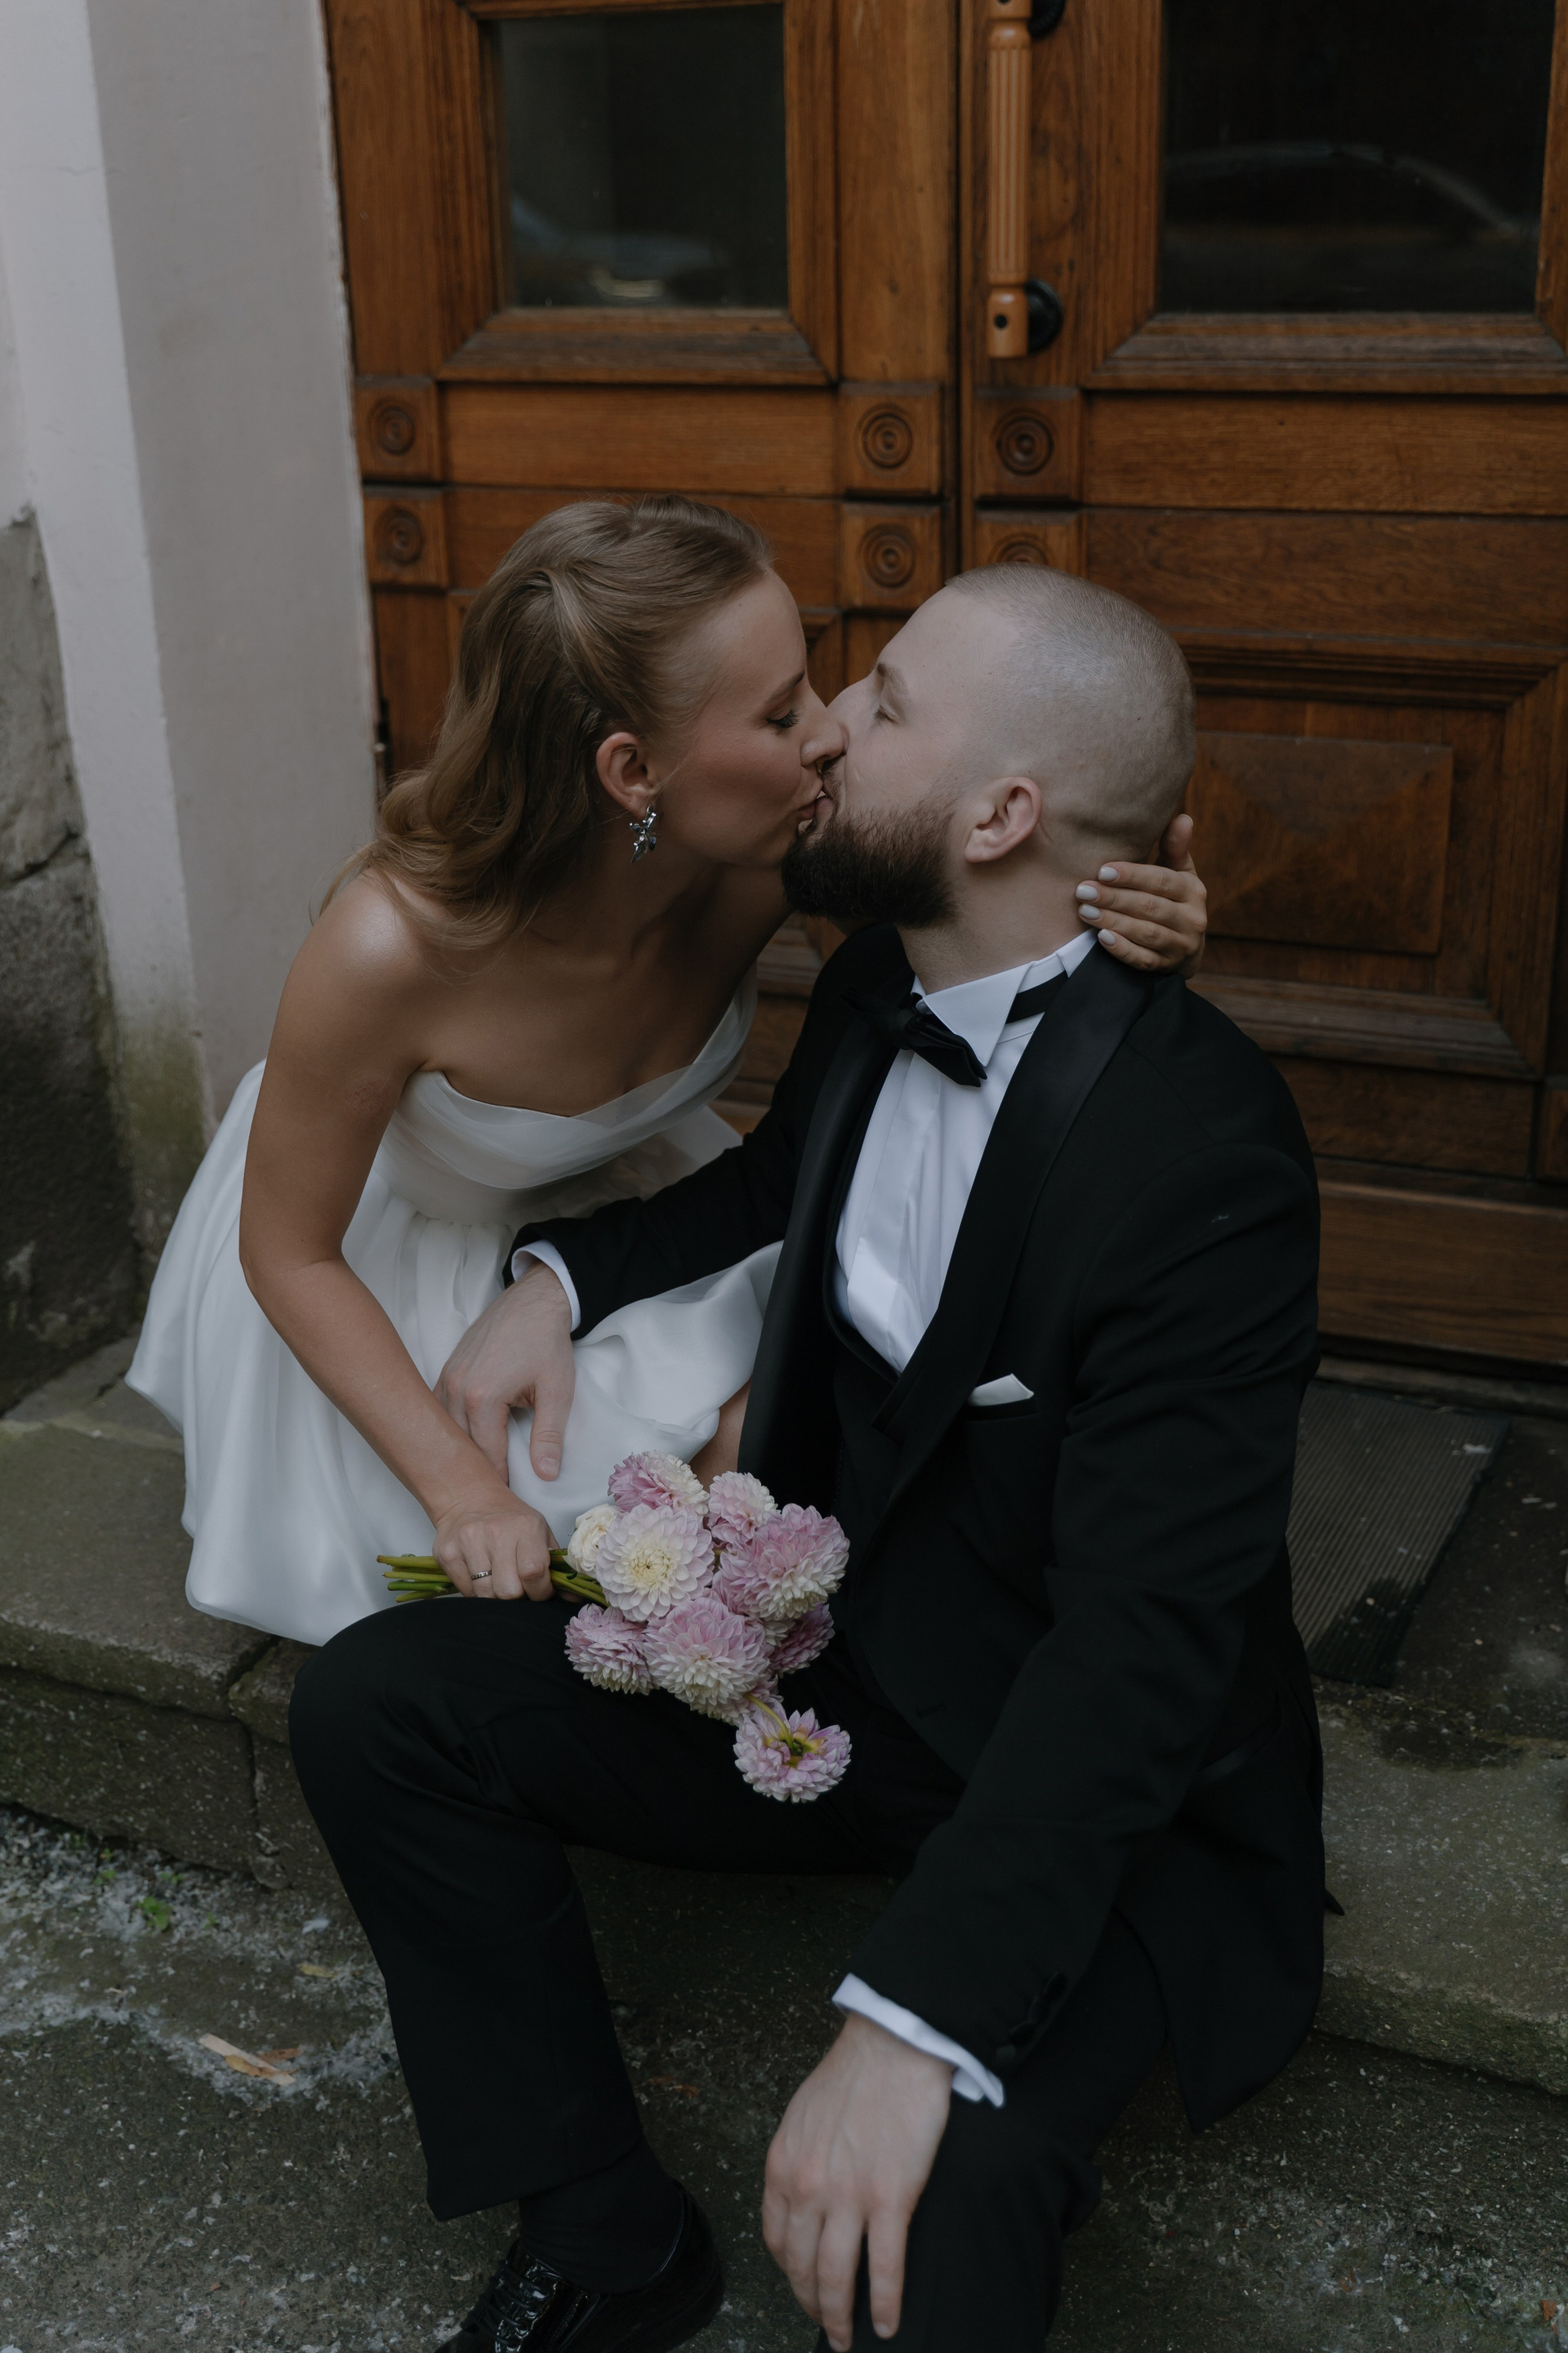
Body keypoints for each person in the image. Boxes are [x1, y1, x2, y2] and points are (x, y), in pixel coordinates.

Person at [289, 563, 1325, 2353]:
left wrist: (912, 2015)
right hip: (840, 1668)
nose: (832, 725)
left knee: (936, 2198)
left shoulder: (1203, 1155)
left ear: (1001, 815)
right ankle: (611, 2236)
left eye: (886, 701)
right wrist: (560, 1277)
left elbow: (1142, 1647)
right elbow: (780, 1183)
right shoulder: (875, 975)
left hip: (1091, 1772)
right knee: (381, 1705)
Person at [127, 496, 1209, 1647]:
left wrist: (1124, 934)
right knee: (615, 1523)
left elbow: (971, 963)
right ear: (633, 770)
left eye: (816, 683)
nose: (831, 734)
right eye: (782, 712)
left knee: (787, 1439)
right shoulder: (387, 949)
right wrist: (462, 1490)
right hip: (384, 1246)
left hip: (643, 1203)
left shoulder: (779, 853)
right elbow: (289, 1252)